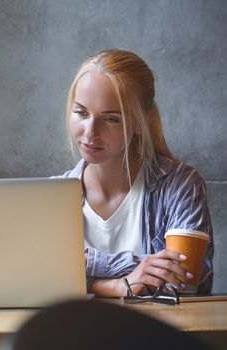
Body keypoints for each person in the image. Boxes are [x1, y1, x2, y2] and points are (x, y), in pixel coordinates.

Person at [62, 49, 213, 296]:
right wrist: (118, 286)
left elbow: (181, 281)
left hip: (155, 334)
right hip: (75, 334)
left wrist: (86, 265)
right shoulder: (51, 196)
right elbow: (39, 284)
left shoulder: (181, 184)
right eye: (81, 112)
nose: (89, 132)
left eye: (111, 119)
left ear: (139, 122)